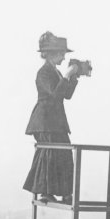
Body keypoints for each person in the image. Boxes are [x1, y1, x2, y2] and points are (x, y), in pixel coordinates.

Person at [23, 31, 82, 204]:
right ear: (51, 54)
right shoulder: (43, 73)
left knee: (63, 154)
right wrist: (66, 76)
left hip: (54, 122)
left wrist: (73, 77)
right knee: (50, 155)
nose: (64, 58)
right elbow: (56, 95)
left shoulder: (55, 72)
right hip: (45, 122)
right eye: (61, 54)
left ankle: (65, 193)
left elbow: (66, 95)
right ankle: (46, 192)